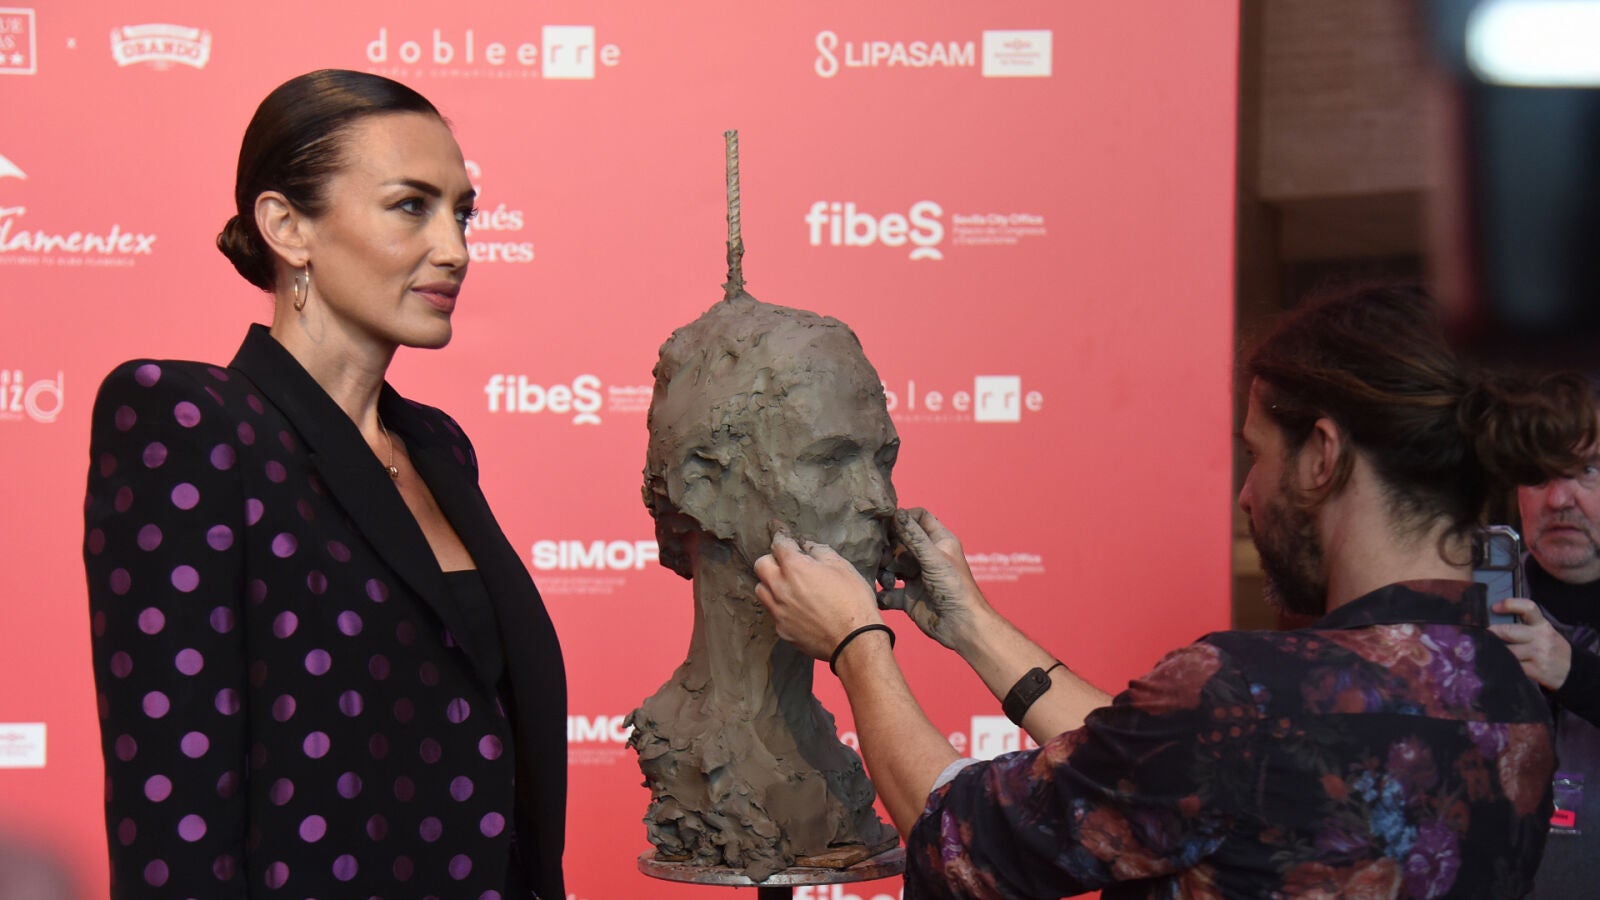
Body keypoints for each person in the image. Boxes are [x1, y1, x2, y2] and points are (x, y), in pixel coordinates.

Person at [754, 282, 1596, 898]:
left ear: (1323, 456)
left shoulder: (1245, 696)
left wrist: (857, 645)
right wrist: (971, 622)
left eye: (1256, 456)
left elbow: (960, 840)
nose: (1247, 495)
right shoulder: (1511, 692)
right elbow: (1175, 773)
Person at [81, 69, 566, 898]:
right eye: (411, 206)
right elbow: (172, 802)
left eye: (462, 213)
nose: (455, 249)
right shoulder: (190, 422)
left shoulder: (439, 447)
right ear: (286, 226)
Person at [630, 296, 897, 880]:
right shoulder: (695, 745)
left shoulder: (826, 747)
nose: (880, 500)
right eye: (831, 461)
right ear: (704, 485)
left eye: (883, 461)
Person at [1490, 388, 1600, 898]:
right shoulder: (1470, 611)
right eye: (1538, 474)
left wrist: (1574, 673)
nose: (1558, 499)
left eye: (1588, 470)